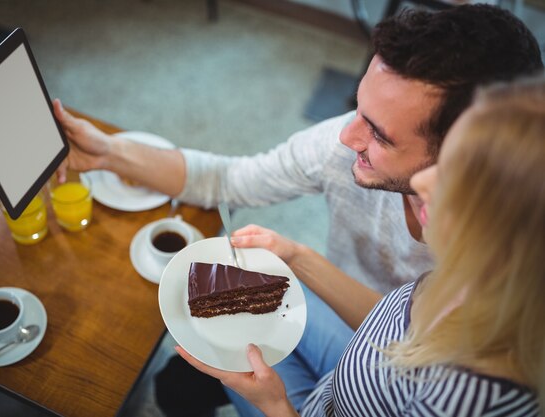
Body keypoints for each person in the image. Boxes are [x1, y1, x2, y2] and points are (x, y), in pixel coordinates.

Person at [52, 5, 543, 416]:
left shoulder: (473, 383)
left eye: (380, 134)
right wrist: (108, 153)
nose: (346, 136)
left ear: (468, 155)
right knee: (203, 337)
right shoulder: (458, 282)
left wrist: (276, 405)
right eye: (359, 111)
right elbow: (229, 178)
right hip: (365, 354)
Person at [177, 74, 545, 416]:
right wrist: (297, 255)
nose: (425, 182)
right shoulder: (472, 280)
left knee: (206, 348)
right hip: (349, 376)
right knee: (252, 281)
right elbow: (395, 326)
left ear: (513, 237)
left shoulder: (466, 400)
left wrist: (273, 403)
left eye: (456, 174)